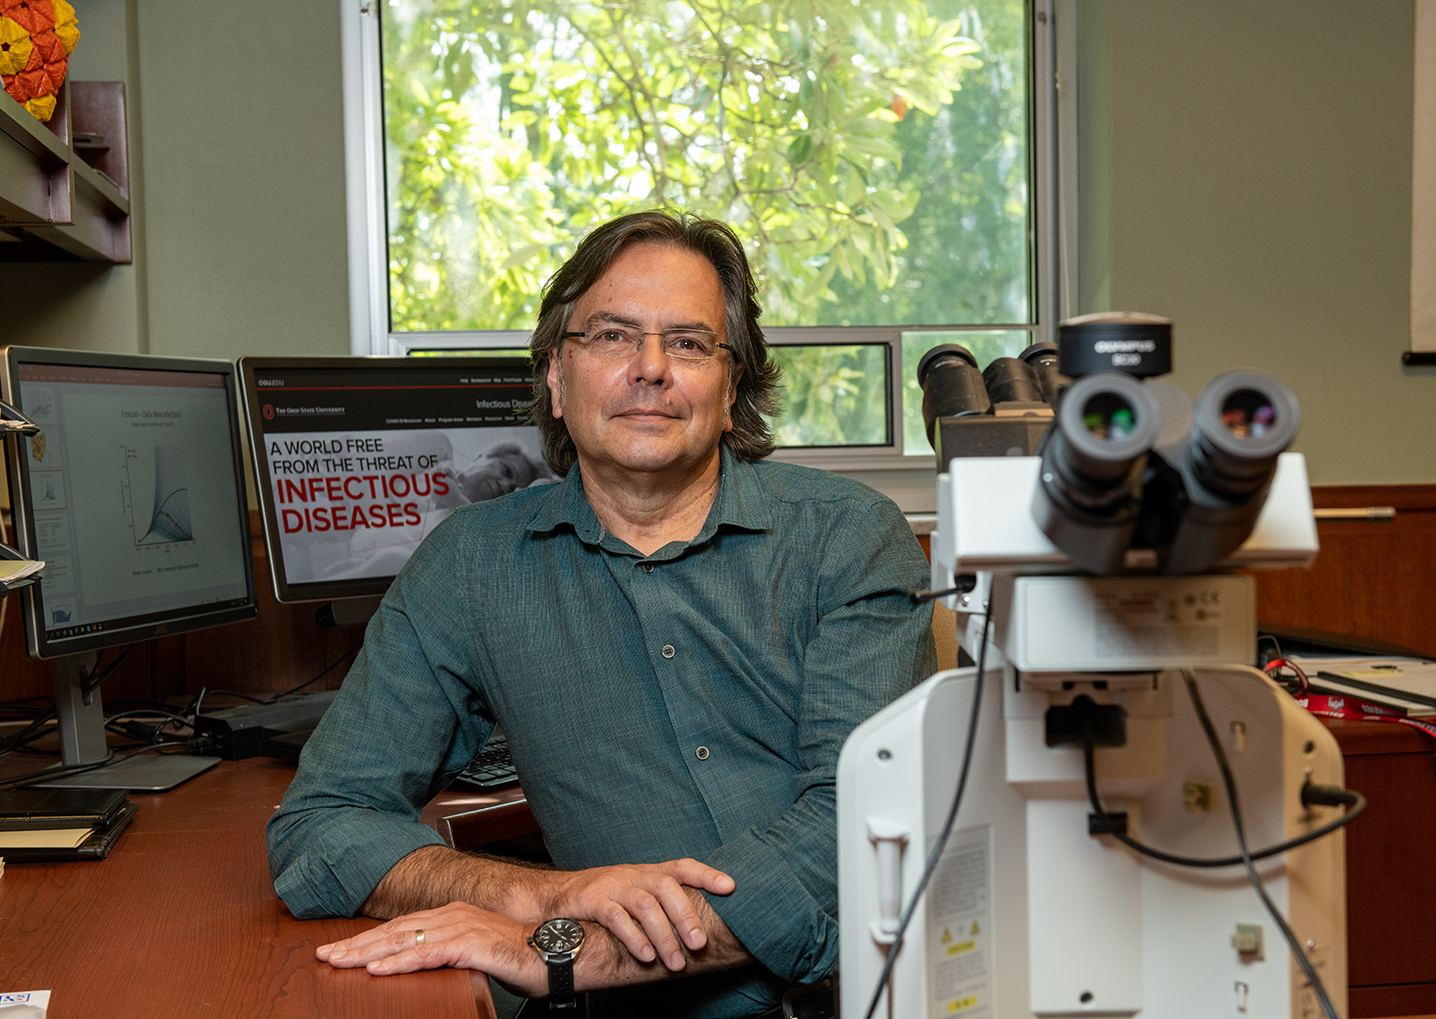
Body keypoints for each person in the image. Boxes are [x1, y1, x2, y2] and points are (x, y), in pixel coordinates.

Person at [265, 210, 935, 1017]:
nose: (649, 368)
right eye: (612, 336)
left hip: (851, 995)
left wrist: (567, 953)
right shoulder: (471, 564)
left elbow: (857, 826)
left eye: (688, 343)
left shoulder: (847, 536)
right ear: (555, 374)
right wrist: (550, 898)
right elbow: (321, 824)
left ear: (730, 390)